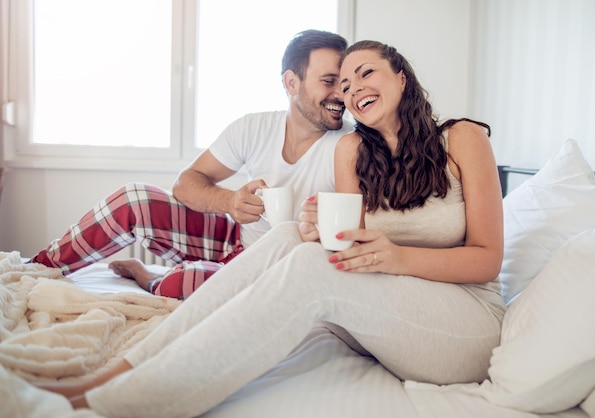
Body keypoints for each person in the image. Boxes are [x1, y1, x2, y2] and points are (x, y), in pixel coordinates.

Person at [37, 40, 505, 418]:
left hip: (464, 323)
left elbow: (487, 259)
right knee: (288, 239)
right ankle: (116, 372)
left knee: (308, 268)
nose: (351, 88)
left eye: (366, 73)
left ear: (401, 77)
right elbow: (352, 251)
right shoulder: (353, 154)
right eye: (344, 82)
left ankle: (119, 404)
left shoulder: (462, 138)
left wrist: (395, 256)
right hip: (392, 315)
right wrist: (313, 230)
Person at [30, 29, 352, 299]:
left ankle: (147, 277)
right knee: (134, 199)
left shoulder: (350, 145)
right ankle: (35, 269)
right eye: (329, 81)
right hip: (233, 239)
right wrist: (231, 201)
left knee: (185, 282)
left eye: (345, 84)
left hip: (274, 267)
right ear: (291, 83)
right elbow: (186, 183)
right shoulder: (254, 128)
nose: (341, 94)